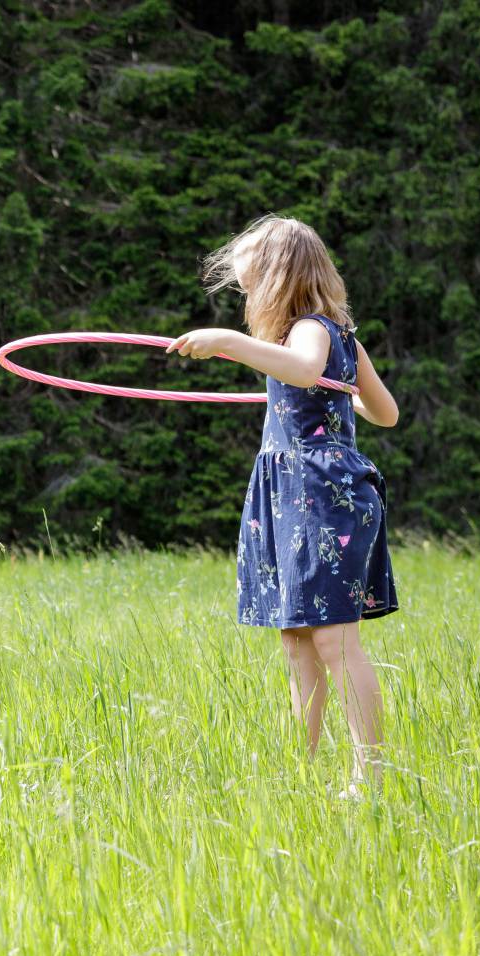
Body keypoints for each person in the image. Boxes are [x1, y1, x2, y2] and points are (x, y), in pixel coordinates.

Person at [167, 213, 400, 795]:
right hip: (296, 496)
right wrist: (341, 393)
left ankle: (367, 775)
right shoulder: (337, 337)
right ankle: (305, 771)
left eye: (249, 286)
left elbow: (303, 368)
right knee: (296, 637)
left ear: (278, 276)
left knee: (333, 639)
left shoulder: (314, 330)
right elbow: (384, 412)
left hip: (324, 497)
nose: (246, 299)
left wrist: (227, 344)